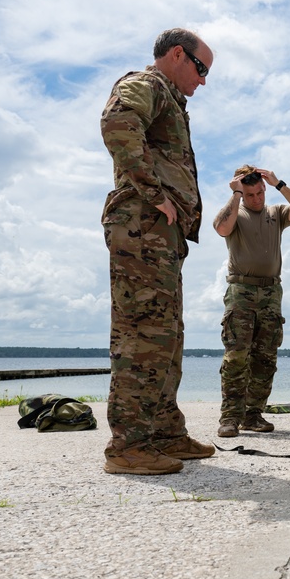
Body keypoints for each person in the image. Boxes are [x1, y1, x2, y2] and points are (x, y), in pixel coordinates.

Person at [100, 28, 216, 475]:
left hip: (158, 235)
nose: (202, 81)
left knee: (167, 333)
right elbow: (117, 124)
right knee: (143, 333)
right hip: (141, 226)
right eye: (200, 68)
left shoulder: (170, 98)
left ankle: (165, 431)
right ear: (176, 55)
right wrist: (153, 192)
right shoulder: (147, 85)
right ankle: (128, 445)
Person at [212, 164, 290, 438]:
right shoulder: (235, 211)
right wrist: (235, 195)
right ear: (241, 193)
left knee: (266, 358)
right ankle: (230, 418)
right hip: (241, 291)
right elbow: (221, 228)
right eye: (250, 195)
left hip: (271, 293)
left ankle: (253, 414)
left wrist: (279, 184)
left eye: (260, 193)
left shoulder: (276, 213)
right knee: (236, 357)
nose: (256, 199)